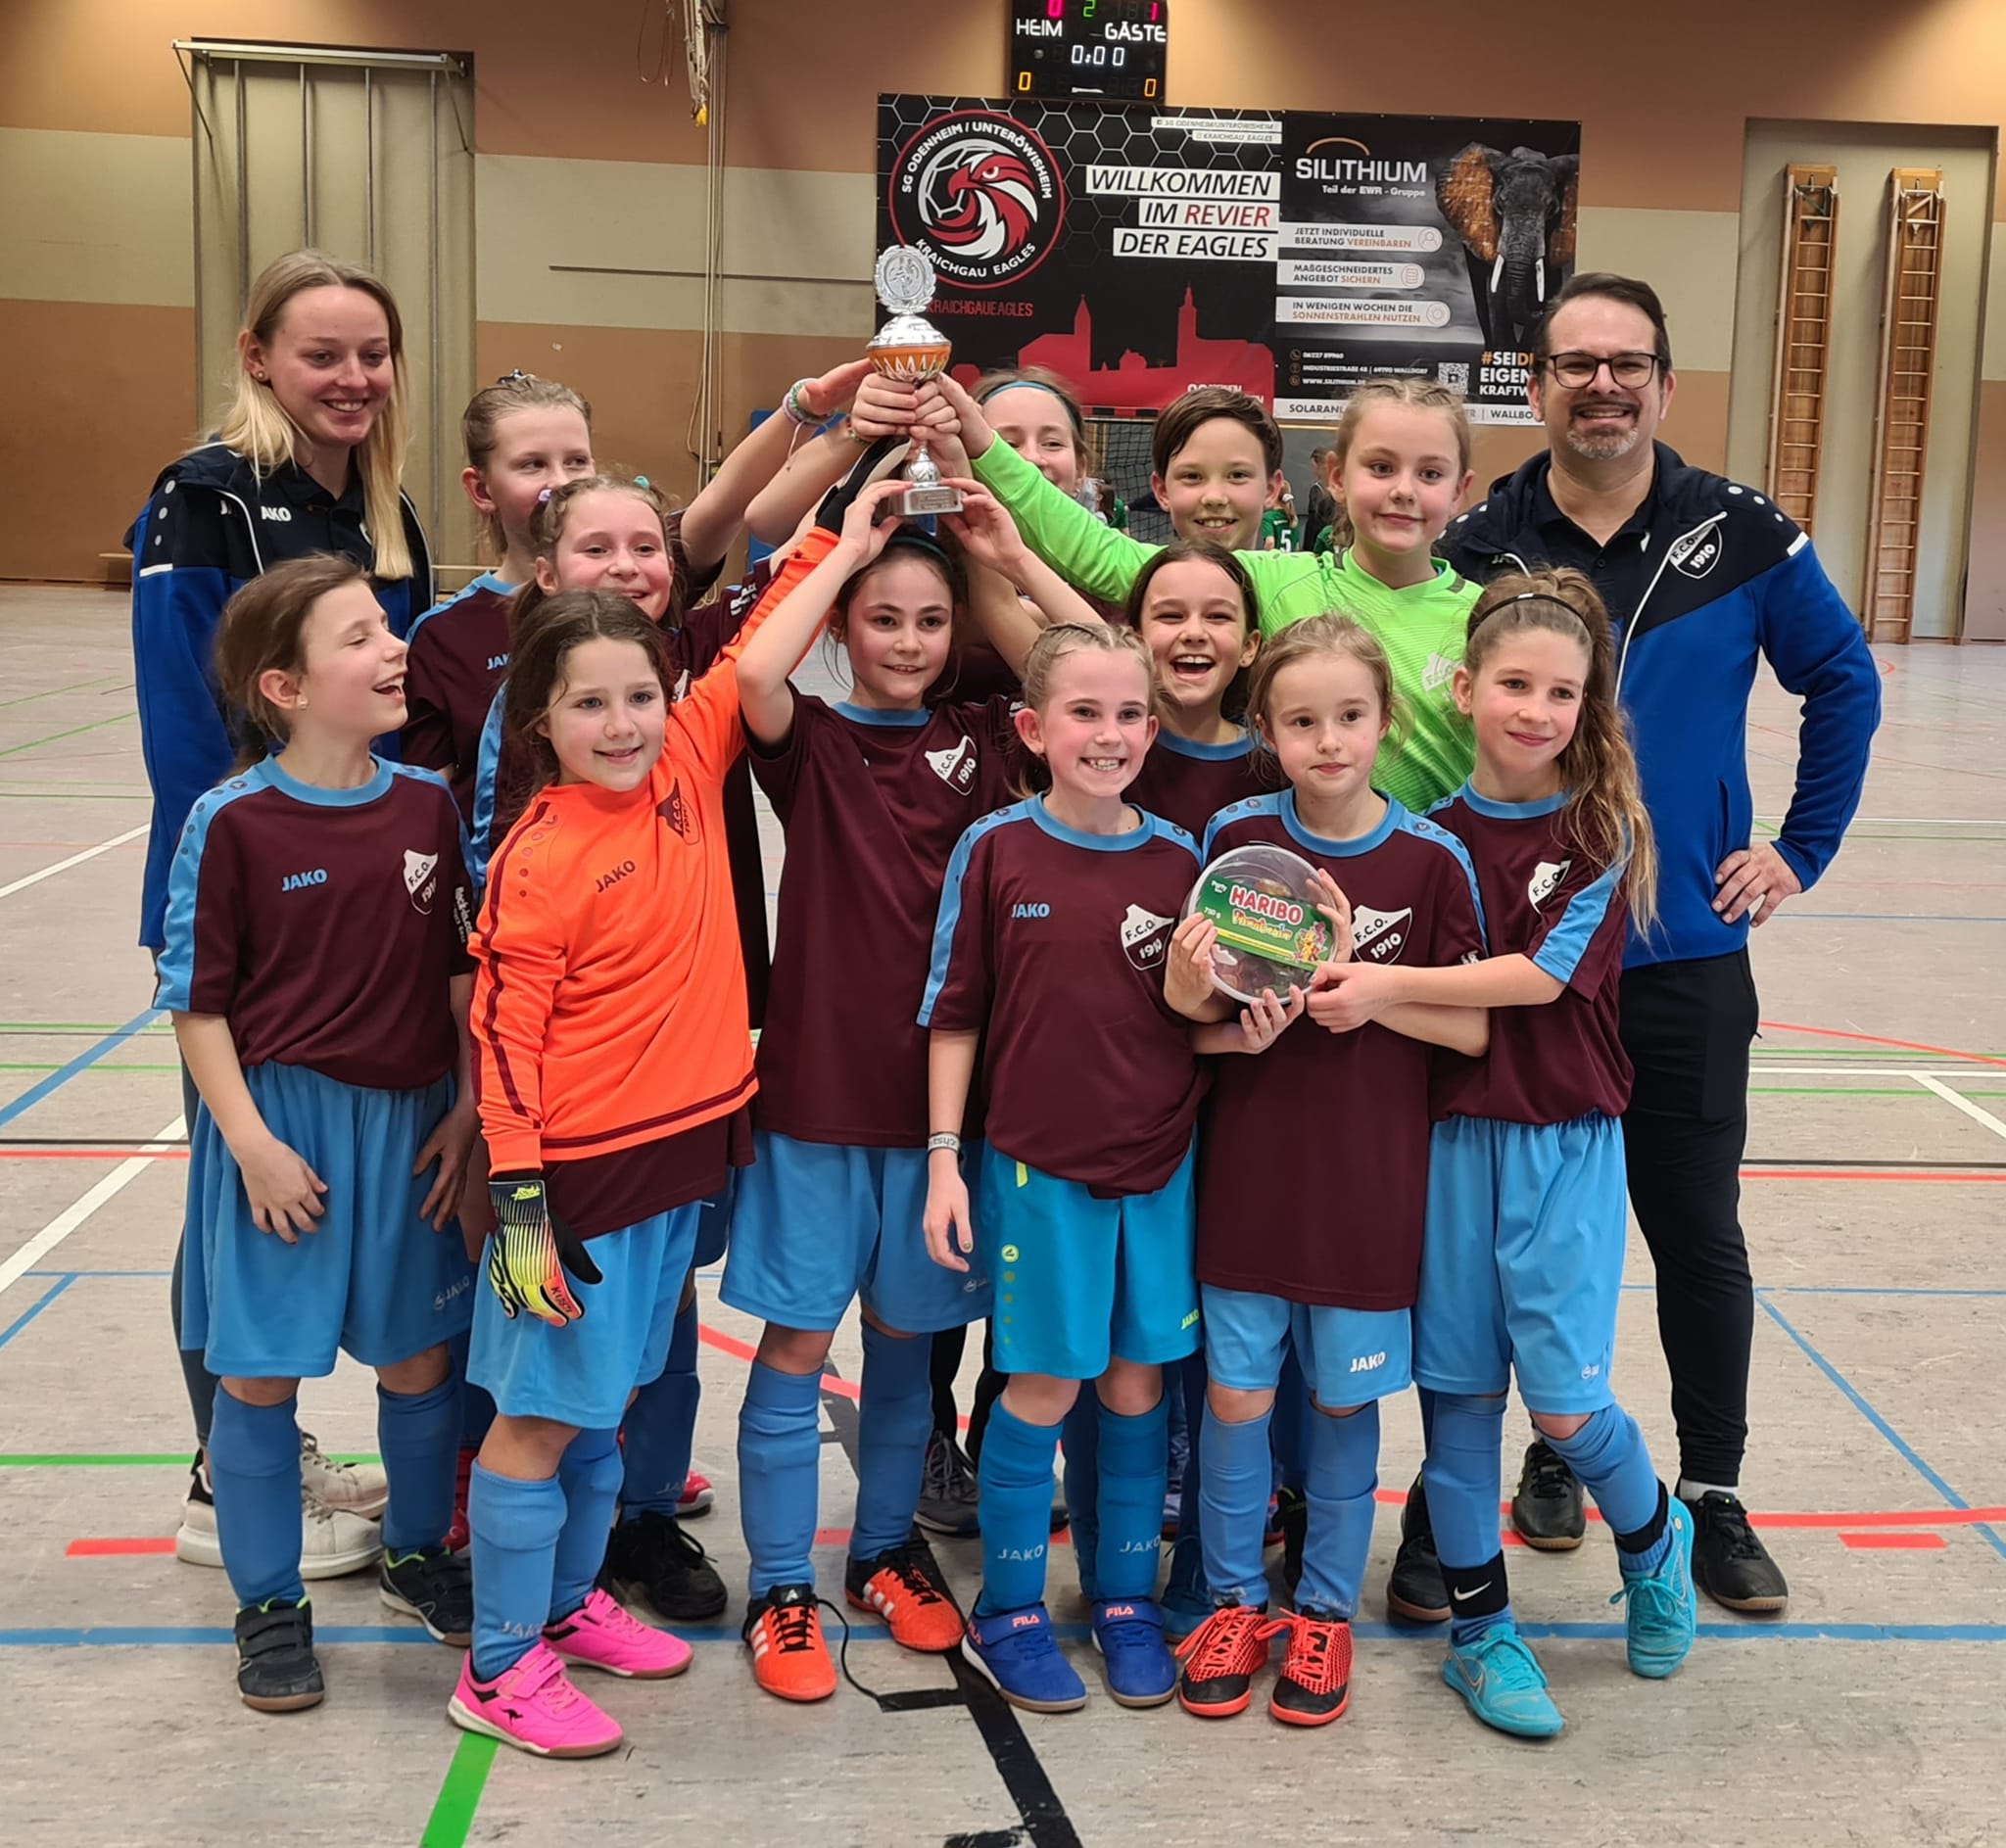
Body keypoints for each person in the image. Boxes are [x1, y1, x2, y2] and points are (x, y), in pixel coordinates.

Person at [1434, 272, 1881, 1613]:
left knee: (1691, 1228)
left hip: (1680, 957)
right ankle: (1552, 1450)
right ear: (1536, 385)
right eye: (1575, 363)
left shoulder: (1743, 533)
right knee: (1522, 1236)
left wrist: (1797, 848)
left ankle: (1712, 1491)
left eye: (1626, 362)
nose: (1602, 385)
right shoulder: (1479, 541)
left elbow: (1842, 678)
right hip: (1523, 973)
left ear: (1664, 384)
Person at [453, 526, 832, 1759]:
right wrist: (519, 1199)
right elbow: (504, 1039)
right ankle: (499, 1666)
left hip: (684, 1154)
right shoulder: (540, 856)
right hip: (581, 1182)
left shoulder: (687, 754)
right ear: (540, 721)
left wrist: (851, 520)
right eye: (588, 704)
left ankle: (567, 1603)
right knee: (539, 1418)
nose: (621, 725)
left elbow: (765, 631)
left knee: (602, 1409)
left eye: (638, 696)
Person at [1313, 570, 1697, 1738]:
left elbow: (1534, 980)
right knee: (1458, 1398)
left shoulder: (1602, 829)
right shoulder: (1425, 837)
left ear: (1588, 709)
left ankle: (1652, 1539)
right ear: (1465, 689)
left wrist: (1381, 986)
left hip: (1562, 1146)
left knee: (1567, 1409)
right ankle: (1480, 1636)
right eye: (1514, 685)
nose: (1535, 711)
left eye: (1561, 693)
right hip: (1445, 1146)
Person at [132, 247, 431, 1577]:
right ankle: (225, 1474)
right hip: (251, 914)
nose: (353, 377)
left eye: (373, 354)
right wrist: (271, 868)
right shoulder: (204, 498)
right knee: (241, 1196)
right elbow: (186, 720)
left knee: (328, 1211)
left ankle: (272, 1455)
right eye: (322, 354)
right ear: (258, 358)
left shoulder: (376, 506)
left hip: (369, 909)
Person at [724, 479, 1027, 1702]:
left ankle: (884, 1552)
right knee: (799, 1343)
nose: (906, 642)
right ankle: (779, 1586)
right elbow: (753, 674)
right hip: (815, 1100)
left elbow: (1078, 666)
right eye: (882, 618)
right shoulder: (814, 744)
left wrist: (991, 555)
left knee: (906, 1350)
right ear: (843, 627)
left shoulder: (989, 741)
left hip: (942, 1116)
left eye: (929, 622)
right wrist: (845, 546)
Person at [157, 554, 478, 1711]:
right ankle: (268, 1605)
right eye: (360, 638)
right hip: (280, 1131)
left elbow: (457, 975)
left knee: (422, 1360)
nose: (393, 649)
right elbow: (197, 1007)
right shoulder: (231, 821)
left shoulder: (427, 804)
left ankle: (415, 1553)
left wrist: (467, 1108)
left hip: (411, 1129)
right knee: (255, 1378)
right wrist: (249, 1144)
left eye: (386, 629)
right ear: (284, 688)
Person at [1170, 616, 1486, 1730]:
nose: (1329, 741)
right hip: (1249, 1183)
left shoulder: (1431, 859)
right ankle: (1230, 1604)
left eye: (1350, 716)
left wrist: (1373, 996)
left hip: (1366, 1190)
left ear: (1386, 721)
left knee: (1344, 1401)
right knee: (1236, 1398)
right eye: (1301, 721)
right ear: (1266, 729)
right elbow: (1190, 1016)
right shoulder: (1236, 842)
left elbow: (1473, 1032)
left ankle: (1321, 1614)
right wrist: (1224, 1015)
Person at [920, 622, 1213, 1715]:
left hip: (1161, 1170)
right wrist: (945, 1161)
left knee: (1137, 1387)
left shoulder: (1184, 862)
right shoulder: (996, 849)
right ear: (1034, 729)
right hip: (1038, 1174)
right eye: (1085, 712)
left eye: (1130, 713)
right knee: (1042, 1386)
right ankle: (1008, 1608)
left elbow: (1205, 1020)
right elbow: (955, 1017)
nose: (1109, 733)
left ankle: (1123, 1599)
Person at [919, 375, 1482, 812]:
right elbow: (1100, 553)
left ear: (1461, 490)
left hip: (1427, 881)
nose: (1403, 490)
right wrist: (981, 441)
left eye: (1430, 474)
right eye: (1381, 467)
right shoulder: (1274, 579)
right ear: (1336, 477)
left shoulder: (1483, 621)